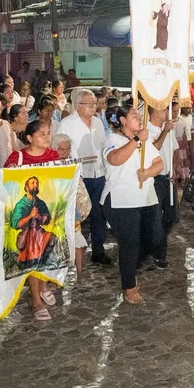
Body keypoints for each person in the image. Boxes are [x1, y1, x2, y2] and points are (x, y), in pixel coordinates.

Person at [102, 105, 162, 304]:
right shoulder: (112, 139)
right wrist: (136, 140)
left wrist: (148, 172)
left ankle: (130, 268)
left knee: (154, 237)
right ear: (123, 120)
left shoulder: (145, 140)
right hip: (121, 200)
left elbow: (159, 163)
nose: (139, 118)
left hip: (146, 197)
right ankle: (129, 286)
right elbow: (115, 159)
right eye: (134, 116)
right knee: (129, 243)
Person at [4, 132, 60, 321]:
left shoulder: (53, 156)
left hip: (40, 232)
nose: (46, 136)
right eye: (41, 134)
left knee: (52, 241)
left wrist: (42, 217)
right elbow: (15, 222)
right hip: (27, 236)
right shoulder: (22, 203)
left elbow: (47, 216)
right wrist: (29, 216)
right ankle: (36, 300)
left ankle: (43, 284)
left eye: (48, 133)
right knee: (34, 254)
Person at [56, 89, 110, 265]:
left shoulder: (98, 122)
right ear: (78, 106)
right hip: (78, 175)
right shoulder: (67, 123)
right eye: (89, 103)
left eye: (94, 103)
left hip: (98, 173)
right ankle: (72, 252)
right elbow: (59, 147)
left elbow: (103, 146)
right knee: (76, 215)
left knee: (99, 213)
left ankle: (98, 251)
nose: (93, 106)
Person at [53, 132, 90, 272]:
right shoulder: (47, 165)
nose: (65, 152)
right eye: (61, 149)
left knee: (77, 239)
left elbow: (79, 185)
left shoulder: (73, 163)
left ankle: (79, 271)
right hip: (55, 209)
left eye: (68, 149)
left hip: (72, 207)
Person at [146, 105, 177, 269]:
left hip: (167, 178)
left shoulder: (168, 127)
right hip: (154, 179)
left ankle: (157, 243)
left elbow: (173, 149)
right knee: (156, 218)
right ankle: (158, 252)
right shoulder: (146, 129)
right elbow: (154, 148)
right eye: (165, 110)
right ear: (156, 111)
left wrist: (174, 167)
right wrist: (165, 131)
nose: (168, 113)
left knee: (171, 216)